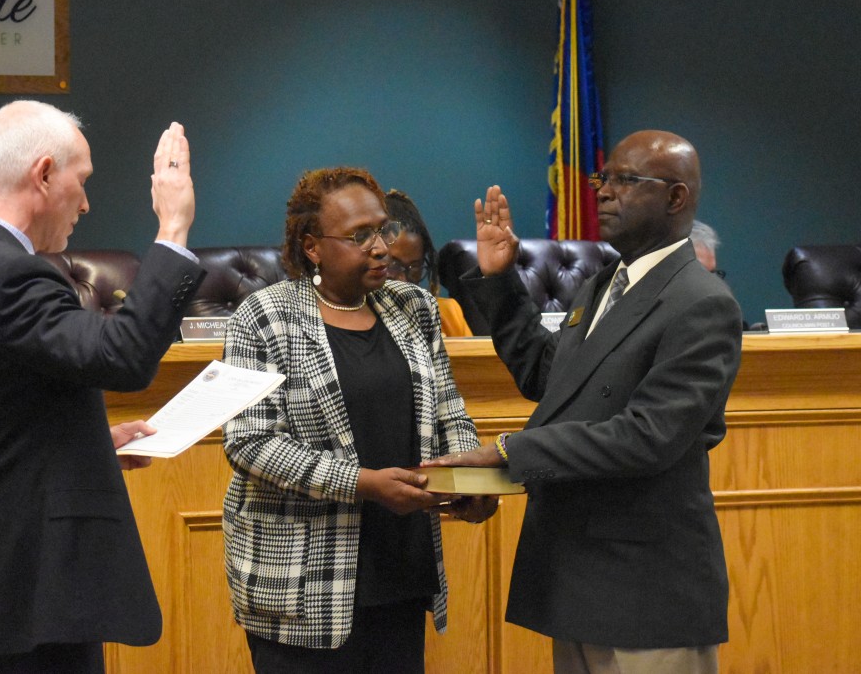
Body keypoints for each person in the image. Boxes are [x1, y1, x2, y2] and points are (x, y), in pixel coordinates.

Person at [0, 100, 206, 673]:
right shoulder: (10, 273)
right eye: (82, 181)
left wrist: (88, 443)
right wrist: (172, 229)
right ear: (43, 174)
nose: (86, 203)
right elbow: (124, 359)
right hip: (34, 590)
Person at [426, 131, 743, 673]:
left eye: (625, 180)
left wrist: (507, 451)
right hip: (579, 578)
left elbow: (648, 437)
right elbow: (549, 378)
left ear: (675, 198)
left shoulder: (703, 303)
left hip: (647, 589)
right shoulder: (601, 286)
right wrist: (502, 282)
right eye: (604, 178)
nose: (603, 192)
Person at [220, 167, 497, 673]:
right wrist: (363, 483)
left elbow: (446, 406)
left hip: (400, 568)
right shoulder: (265, 317)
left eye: (383, 229)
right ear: (312, 247)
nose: (381, 247)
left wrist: (471, 479)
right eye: (359, 235)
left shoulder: (412, 306)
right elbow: (250, 442)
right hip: (302, 585)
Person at [384, 189, 474, 337]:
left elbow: (474, 360)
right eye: (394, 265)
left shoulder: (447, 314)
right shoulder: (353, 320)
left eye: (414, 267)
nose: (404, 280)